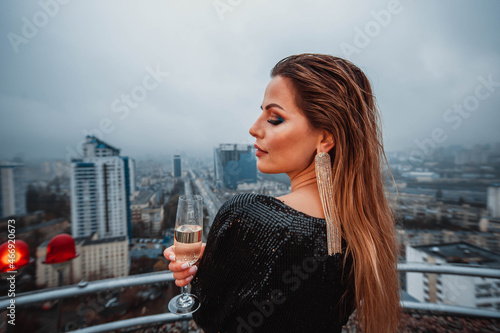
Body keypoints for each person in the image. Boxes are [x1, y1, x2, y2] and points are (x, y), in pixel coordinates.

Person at [164, 53, 400, 332]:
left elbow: (210, 316)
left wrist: (206, 276)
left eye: (274, 118)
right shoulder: (362, 230)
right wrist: (221, 258)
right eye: (261, 112)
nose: (254, 128)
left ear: (324, 138)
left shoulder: (247, 213)